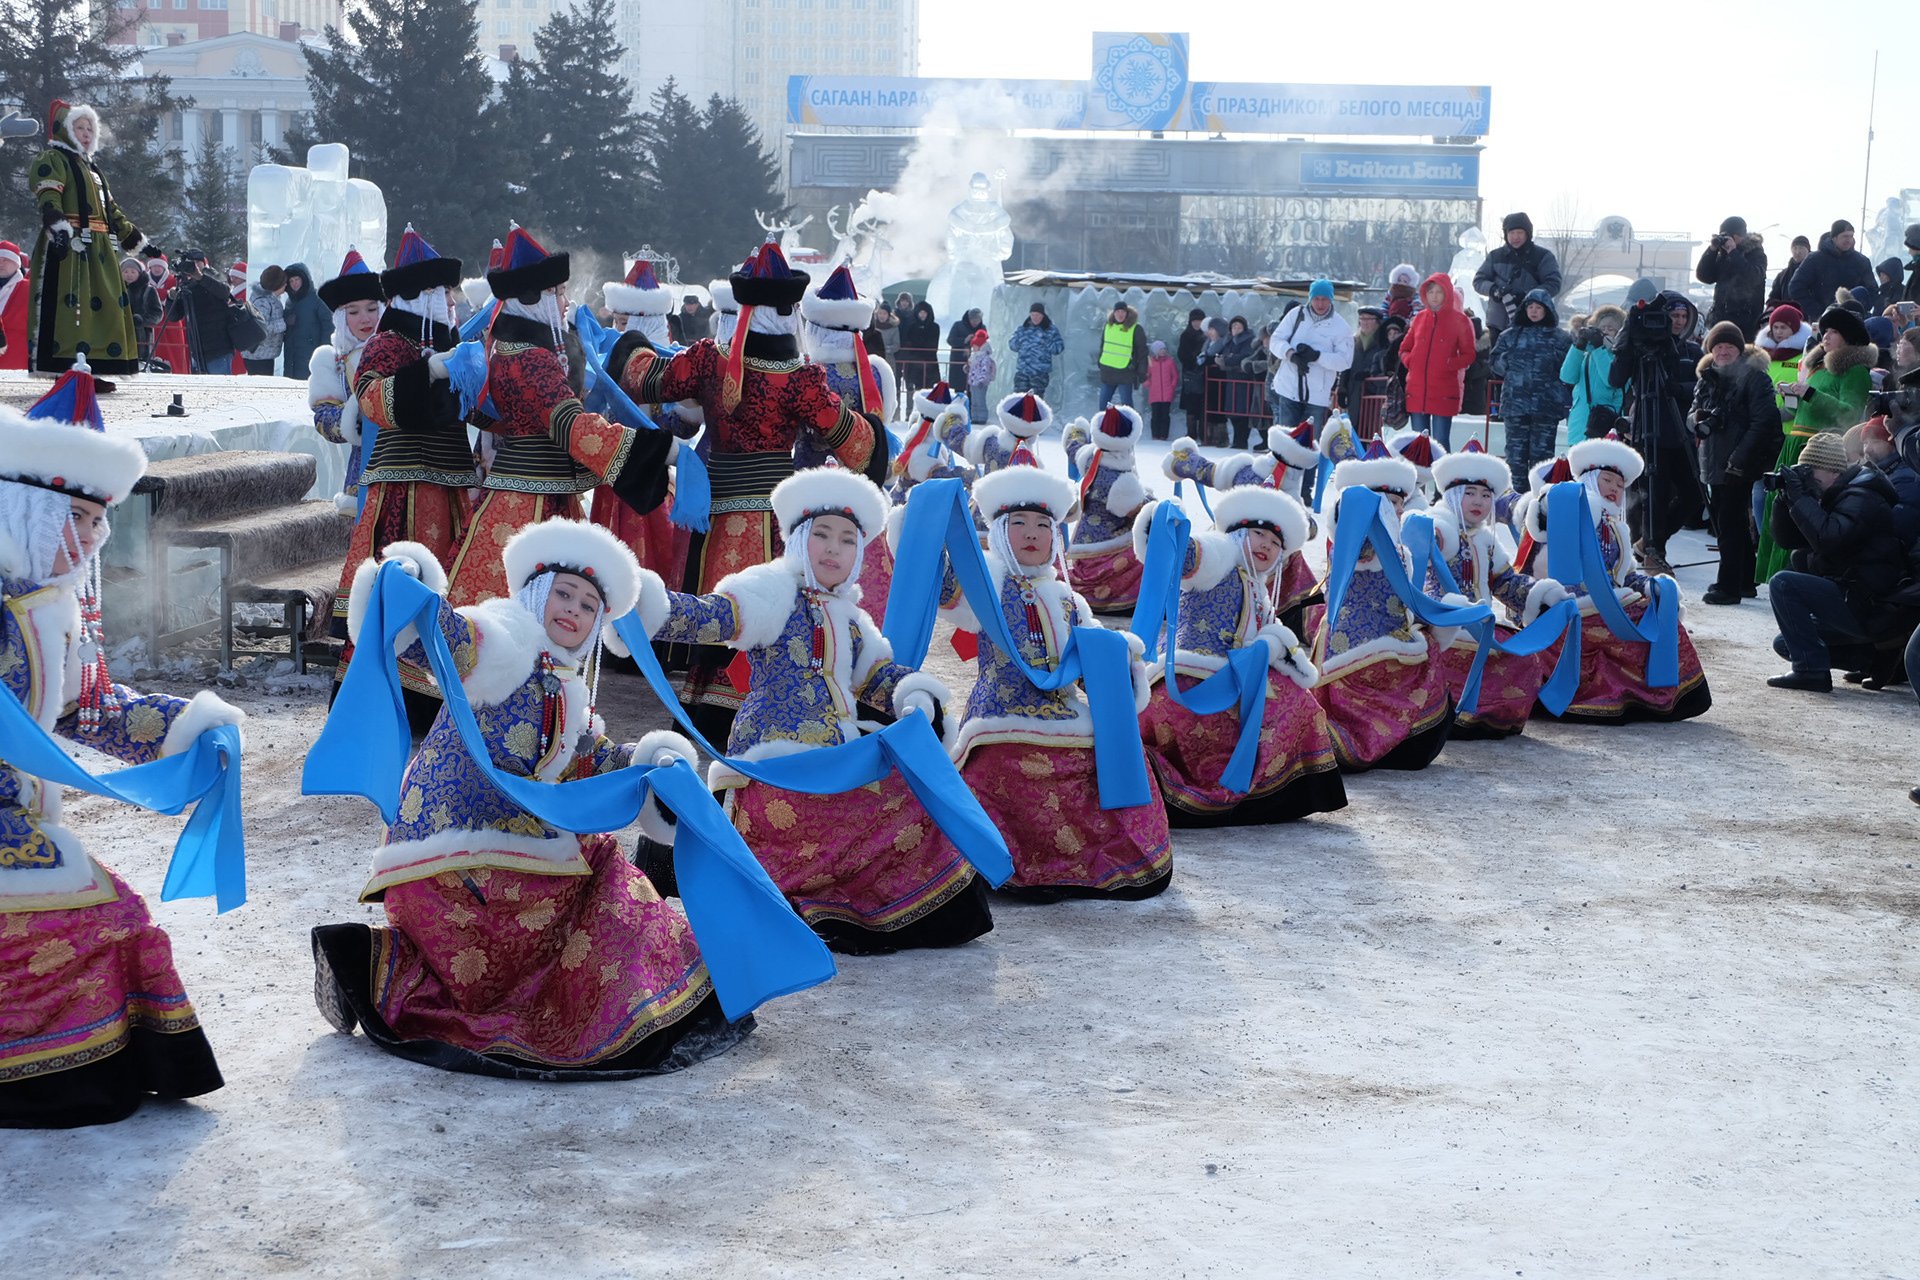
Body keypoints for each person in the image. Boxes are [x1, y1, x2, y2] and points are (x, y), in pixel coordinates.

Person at [312, 520, 751, 1077]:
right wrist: (412, 585)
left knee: (604, 869)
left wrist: (649, 766)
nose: (573, 609)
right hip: (451, 853)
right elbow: (445, 637)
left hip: (516, 842)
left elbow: (586, 758)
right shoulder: (504, 639)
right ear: (536, 593)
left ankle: (646, 998)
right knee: (511, 957)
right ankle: (363, 961)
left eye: (590, 604)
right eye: (563, 593)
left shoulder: (569, 686)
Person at [0, 367, 245, 1127]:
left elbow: (89, 709)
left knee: (109, 920)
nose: (90, 538)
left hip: (26, 820)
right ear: (24, 507)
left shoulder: (54, 605)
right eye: (74, 517)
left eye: (97, 521)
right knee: (104, 917)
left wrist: (190, 729)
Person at [639, 470, 992, 954]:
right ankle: (815, 900)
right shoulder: (770, 590)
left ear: (858, 555)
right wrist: (648, 605)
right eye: (821, 534)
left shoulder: (851, 618)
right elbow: (712, 616)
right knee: (816, 819)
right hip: (775, 762)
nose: (833, 548)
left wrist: (915, 695)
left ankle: (883, 909)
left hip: (838, 756)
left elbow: (878, 676)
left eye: (847, 540)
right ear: (798, 539)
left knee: (914, 799)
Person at [610, 240, 882, 741]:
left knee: (723, 602)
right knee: (779, 606)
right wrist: (872, 429)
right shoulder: (801, 377)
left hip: (720, 511)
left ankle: (709, 705)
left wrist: (631, 343)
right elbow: (852, 443)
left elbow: (647, 379)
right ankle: (766, 699)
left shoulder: (710, 361)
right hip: (779, 521)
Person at [931, 465, 1171, 900]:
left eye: (1043, 525)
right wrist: (930, 520)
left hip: (1065, 711)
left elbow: (1091, 654)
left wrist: (1122, 656)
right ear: (1000, 532)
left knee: (1116, 757)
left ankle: (1104, 862)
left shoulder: (1068, 599)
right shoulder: (988, 585)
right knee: (1005, 766)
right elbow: (944, 583)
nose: (1032, 533)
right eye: (1018, 523)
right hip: (998, 718)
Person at [1133, 484, 1347, 825]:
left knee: (1301, 700)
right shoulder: (1220, 555)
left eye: (1276, 543)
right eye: (1258, 533)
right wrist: (1165, 527)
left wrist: (1276, 645)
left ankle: (1273, 789)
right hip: (1194, 679)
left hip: (1234, 678)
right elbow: (1191, 557)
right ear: (1236, 534)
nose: (1266, 545)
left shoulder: (1257, 586)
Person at [1526, 434, 1711, 721]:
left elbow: (1623, 574)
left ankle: (1664, 696)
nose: (1615, 489)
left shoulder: (1616, 527)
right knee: (1638, 617)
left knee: (1661, 611)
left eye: (1620, 484)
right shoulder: (1568, 512)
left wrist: (1650, 586)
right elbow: (1547, 543)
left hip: (1611, 602)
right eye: (1607, 480)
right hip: (1574, 606)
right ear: (1588, 481)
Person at [1308, 444, 1453, 771]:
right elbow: (1359, 537)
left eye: (1397, 503)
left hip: (1394, 639)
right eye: (1382, 504)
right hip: (1354, 650)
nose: (1391, 511)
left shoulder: (1398, 547)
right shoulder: (1354, 543)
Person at [1420, 441, 1568, 736]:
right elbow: (1422, 584)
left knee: (1524, 658)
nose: (1479, 502)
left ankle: (1486, 719)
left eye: (1486, 495)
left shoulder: (1486, 539)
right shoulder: (1436, 530)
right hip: (1443, 627)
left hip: (1482, 627)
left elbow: (1504, 582)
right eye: (1470, 493)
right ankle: (1451, 715)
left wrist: (1542, 593)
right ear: (1451, 495)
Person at [1763, 431, 1905, 691]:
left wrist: (1802, 498)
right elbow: (1788, 540)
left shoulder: (1862, 496)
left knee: (1783, 583)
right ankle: (1870, 657)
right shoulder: (1836, 493)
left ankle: (1811, 672)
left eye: (1812, 472)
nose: (1809, 479)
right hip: (1853, 593)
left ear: (1833, 471)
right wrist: (1787, 500)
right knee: (1785, 643)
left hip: (1868, 603)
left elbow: (1829, 538)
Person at [1755, 306, 1880, 581]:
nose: (1826, 336)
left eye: (1833, 332)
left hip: (1819, 451)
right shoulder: (1818, 365)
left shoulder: (1855, 370)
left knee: (1801, 514)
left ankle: (1793, 574)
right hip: (1795, 444)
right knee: (1776, 507)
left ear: (1847, 336)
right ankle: (1774, 573)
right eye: (1824, 331)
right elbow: (1809, 405)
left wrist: (1809, 393)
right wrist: (1793, 395)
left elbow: (1849, 412)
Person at [27, 101, 148, 379]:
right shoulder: (54, 160)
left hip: (100, 250)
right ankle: (64, 369)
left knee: (105, 308)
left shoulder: (93, 169)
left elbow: (110, 211)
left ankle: (94, 370)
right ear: (65, 130)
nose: (86, 133)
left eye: (89, 128)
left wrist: (138, 241)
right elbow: (49, 196)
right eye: (79, 127)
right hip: (70, 245)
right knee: (71, 308)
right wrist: (58, 228)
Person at [1607, 291, 1703, 575]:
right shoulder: (1639, 347)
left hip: (1680, 430)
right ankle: (1654, 553)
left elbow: (1701, 387)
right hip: (1649, 429)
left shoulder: (1691, 351)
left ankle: (1648, 542)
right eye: (1673, 315)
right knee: (1654, 496)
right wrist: (1628, 339)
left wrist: (1679, 389)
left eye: (1684, 316)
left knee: (1693, 494)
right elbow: (1615, 379)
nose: (1678, 321)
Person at [1690, 322, 1783, 605]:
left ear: (1739, 349)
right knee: (1731, 521)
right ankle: (1744, 580)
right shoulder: (1707, 377)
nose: (1723, 351)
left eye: (1729, 346)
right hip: (1714, 460)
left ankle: (1728, 586)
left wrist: (1739, 459)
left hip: (1740, 462)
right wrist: (1698, 420)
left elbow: (1763, 421)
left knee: (1728, 523)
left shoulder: (1755, 378)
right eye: (1718, 346)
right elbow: (1691, 413)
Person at [1065, 404, 1151, 613]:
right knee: (1146, 554)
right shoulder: (1124, 482)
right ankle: (1119, 599)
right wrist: (1152, 499)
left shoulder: (1088, 459)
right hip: (1106, 547)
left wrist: (1077, 433)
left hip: (1082, 543)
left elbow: (1073, 447)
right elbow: (1141, 512)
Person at [1492, 288, 1573, 482]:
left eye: (1538, 307)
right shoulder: (1510, 336)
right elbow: (1495, 363)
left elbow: (1569, 368)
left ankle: (1539, 502)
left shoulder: (1561, 338)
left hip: (1546, 407)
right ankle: (1515, 502)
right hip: (1515, 406)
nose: (1534, 311)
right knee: (1515, 459)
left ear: (1547, 310)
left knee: (1542, 460)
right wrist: (1510, 361)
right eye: (1530, 307)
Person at [1399, 274, 1476, 448]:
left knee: (1440, 444)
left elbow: (1469, 354)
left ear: (1447, 293)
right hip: (1417, 391)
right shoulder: (1419, 318)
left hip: (1444, 391)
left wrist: (1449, 364)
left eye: (1439, 292)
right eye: (1431, 291)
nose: (1434, 296)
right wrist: (1411, 361)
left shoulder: (1460, 320)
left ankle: (1442, 476)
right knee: (1419, 445)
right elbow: (1404, 348)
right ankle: (1421, 476)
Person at [1270, 280, 1354, 435]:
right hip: (1289, 387)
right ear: (1310, 298)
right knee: (1285, 442)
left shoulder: (1340, 327)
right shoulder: (1295, 315)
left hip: (1317, 394)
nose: (1320, 304)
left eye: (1324, 299)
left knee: (1310, 445)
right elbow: (1275, 340)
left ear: (1331, 299)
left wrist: (1317, 356)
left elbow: (1345, 361)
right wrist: (1291, 354)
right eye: (1316, 299)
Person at [1473, 212, 1563, 336]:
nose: (1515, 237)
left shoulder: (1543, 256)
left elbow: (1554, 283)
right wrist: (1494, 290)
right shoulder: (1495, 256)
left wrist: (1529, 296)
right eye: (1511, 233)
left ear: (1528, 233)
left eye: (1519, 232)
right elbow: (1479, 281)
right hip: (1498, 323)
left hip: (1532, 323)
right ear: (1506, 234)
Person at [1695, 217, 1769, 340]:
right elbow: (1704, 276)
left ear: (1737, 236)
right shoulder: (1723, 256)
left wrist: (1733, 252)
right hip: (1720, 319)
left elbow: (1753, 278)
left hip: (1746, 323)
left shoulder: (1756, 254)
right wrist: (1712, 250)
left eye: (1727, 237)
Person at [163, 251, 236, 375]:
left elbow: (225, 292)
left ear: (204, 263)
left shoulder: (213, 275)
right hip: (196, 349)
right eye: (191, 264)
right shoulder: (186, 284)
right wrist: (171, 298)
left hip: (219, 346)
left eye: (197, 263)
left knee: (219, 387)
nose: (194, 266)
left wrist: (200, 277)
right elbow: (174, 317)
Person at [1560, 305, 1625, 444]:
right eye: (1602, 328)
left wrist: (1599, 349)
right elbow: (1567, 377)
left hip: (1606, 423)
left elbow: (1610, 380)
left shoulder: (1622, 356)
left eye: (1611, 329)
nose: (1606, 332)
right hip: (1580, 424)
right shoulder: (1587, 353)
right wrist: (1577, 347)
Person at [1789, 221, 1875, 323]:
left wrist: (1862, 309)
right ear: (1834, 237)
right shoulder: (1815, 259)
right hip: (1824, 321)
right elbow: (1796, 287)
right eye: (1845, 236)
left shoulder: (1861, 261)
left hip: (1854, 321)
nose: (1849, 240)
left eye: (1851, 236)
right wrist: (1818, 312)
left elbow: (1872, 290)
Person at [278, 261, 329, 380]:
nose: (294, 283)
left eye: (297, 279)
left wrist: (324, 352)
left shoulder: (317, 298)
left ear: (304, 279)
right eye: (291, 281)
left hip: (311, 352)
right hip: (292, 354)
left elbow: (328, 325)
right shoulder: (290, 301)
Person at [1097, 301, 1147, 408]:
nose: (1120, 314)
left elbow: (1142, 352)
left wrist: (1142, 371)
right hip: (1107, 372)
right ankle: (1104, 425)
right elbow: (1103, 345)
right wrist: (1099, 362)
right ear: (1113, 313)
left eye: (1123, 312)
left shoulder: (1136, 329)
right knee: (1103, 406)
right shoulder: (1108, 326)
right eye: (1118, 311)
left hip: (1125, 373)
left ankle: (1128, 425)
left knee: (1127, 408)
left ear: (1127, 313)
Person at [1008, 301, 1065, 398]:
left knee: (1036, 401)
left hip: (1039, 374)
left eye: (1038, 315)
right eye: (1032, 315)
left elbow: (1059, 348)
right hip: (1023, 372)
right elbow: (1012, 345)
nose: (1035, 317)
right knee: (1019, 400)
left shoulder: (1050, 330)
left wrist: (1047, 342)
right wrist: (1020, 342)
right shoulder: (1022, 329)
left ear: (1043, 315)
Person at [239, 264, 286, 375]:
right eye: (284, 282)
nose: (286, 285)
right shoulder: (263, 302)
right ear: (276, 285)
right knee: (260, 387)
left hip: (262, 353)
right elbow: (260, 327)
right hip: (258, 355)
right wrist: (283, 323)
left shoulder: (268, 298)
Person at [117, 255, 160, 362]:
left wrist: (141, 319)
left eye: (133, 272)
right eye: (125, 272)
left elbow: (157, 313)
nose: (129, 275)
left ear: (139, 273)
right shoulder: (114, 290)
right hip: (118, 334)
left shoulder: (149, 290)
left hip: (142, 337)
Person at [1176, 307, 1209, 439]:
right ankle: (1191, 433)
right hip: (1190, 375)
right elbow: (1181, 354)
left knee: (1202, 404)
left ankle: (1203, 432)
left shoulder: (1206, 336)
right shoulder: (1185, 335)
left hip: (1203, 375)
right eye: (1194, 321)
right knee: (1191, 405)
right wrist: (1193, 360)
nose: (1197, 323)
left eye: (1199, 321)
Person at [898, 299, 941, 394]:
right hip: (914, 363)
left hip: (930, 363)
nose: (922, 315)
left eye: (924, 312)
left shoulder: (934, 327)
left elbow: (933, 345)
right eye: (920, 312)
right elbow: (908, 342)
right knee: (915, 389)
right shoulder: (911, 326)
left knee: (930, 390)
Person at [0, 242, 29, 370]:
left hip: (16, 361)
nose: (1, 263)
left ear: (16, 263)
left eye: (6, 259)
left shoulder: (29, 289)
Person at [1145, 338, 1179, 441]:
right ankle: (1155, 435)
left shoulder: (1170, 361)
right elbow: (1146, 375)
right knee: (1155, 416)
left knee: (1165, 415)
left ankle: (1164, 435)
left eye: (1164, 349)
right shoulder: (1150, 362)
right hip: (1154, 394)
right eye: (1161, 349)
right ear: (1155, 351)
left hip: (1167, 394)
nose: (1163, 351)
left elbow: (1175, 376)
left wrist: (1172, 386)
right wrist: (1148, 384)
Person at [1767, 235, 1812, 310]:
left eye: (1801, 248)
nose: (1798, 252)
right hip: (1785, 316)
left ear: (1808, 250)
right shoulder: (1782, 275)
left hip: (1808, 316)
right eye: (1795, 248)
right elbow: (1774, 297)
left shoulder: (1815, 271)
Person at [946, 306, 983, 392]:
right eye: (973, 319)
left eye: (977, 320)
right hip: (958, 362)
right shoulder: (958, 325)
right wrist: (964, 340)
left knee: (973, 389)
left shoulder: (982, 328)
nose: (975, 322)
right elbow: (950, 340)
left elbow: (985, 342)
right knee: (957, 388)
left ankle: (971, 405)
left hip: (975, 363)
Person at [965, 327, 995, 425]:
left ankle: (982, 417)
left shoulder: (985, 358)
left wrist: (982, 380)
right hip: (973, 382)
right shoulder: (975, 357)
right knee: (974, 401)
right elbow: (972, 368)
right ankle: (974, 417)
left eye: (975, 346)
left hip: (980, 383)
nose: (973, 348)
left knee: (980, 400)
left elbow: (985, 371)